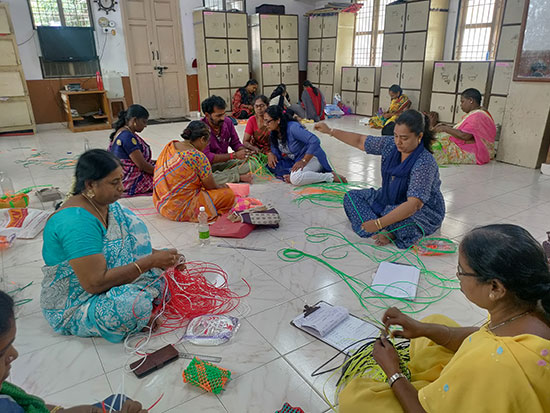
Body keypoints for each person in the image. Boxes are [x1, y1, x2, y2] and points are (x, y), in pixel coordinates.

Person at [339, 224, 550, 412]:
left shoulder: (494, 359)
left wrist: (393, 372)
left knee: (356, 399)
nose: (457, 276)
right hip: (492, 372)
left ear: (495, 287)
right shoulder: (531, 305)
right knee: (434, 321)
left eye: (462, 271)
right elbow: (484, 335)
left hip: (489, 376)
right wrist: (422, 329)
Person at [41, 149, 184, 343]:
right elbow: (94, 284)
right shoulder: (75, 222)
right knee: (131, 307)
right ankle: (134, 313)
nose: (122, 188)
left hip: (109, 280)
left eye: (121, 180)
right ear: (90, 185)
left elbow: (127, 248)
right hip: (77, 300)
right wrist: (150, 262)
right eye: (114, 183)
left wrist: (162, 258)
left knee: (166, 277)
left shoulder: (109, 207)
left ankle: (142, 302)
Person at [0, 291, 149, 412]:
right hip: (71, 301)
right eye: (3, 352)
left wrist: (62, 411)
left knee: (120, 402)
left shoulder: (5, 395)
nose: (14, 354)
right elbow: (94, 283)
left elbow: (37, 408)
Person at [315, 110, 444, 249]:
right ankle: (383, 227)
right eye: (396, 136)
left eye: (404, 138)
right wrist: (330, 131)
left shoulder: (424, 162)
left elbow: (414, 205)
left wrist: (378, 223)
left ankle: (386, 228)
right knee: (352, 197)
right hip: (388, 197)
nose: (398, 142)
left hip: (422, 211)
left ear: (419, 136)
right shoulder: (391, 145)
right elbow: (360, 141)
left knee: (404, 223)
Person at [153, 121, 235, 222]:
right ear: (202, 139)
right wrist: (222, 186)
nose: (207, 145)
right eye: (207, 141)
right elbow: (210, 186)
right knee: (228, 195)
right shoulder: (197, 156)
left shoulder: (171, 146)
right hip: (181, 208)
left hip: (162, 203)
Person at [265, 105, 346, 186]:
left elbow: (314, 141)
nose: (265, 124)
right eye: (264, 121)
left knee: (295, 178)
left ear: (278, 120)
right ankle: (303, 175)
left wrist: (304, 160)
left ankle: (329, 177)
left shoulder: (292, 128)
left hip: (311, 157)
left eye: (268, 121)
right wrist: (271, 154)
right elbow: (276, 153)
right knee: (272, 166)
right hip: (296, 159)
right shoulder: (273, 132)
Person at [429, 88, 497, 165]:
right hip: (475, 147)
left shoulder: (477, 116)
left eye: (462, 101)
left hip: (476, 151)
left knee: (435, 148)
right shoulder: (479, 112)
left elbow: (465, 135)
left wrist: (445, 128)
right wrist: (446, 127)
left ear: (471, 100)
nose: (461, 105)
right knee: (436, 140)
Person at [201, 96, 252, 185]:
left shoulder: (227, 122)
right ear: (207, 115)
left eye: (223, 114)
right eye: (218, 115)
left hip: (224, 163)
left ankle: (226, 177)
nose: (222, 118)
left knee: (251, 164)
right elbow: (208, 157)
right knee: (204, 178)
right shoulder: (200, 128)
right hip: (207, 167)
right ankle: (237, 177)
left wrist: (244, 152)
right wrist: (233, 155)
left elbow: (235, 143)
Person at [108, 104, 156, 196]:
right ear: (134, 120)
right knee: (169, 178)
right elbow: (142, 165)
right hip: (130, 179)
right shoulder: (127, 137)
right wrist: (160, 173)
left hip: (121, 173)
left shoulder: (123, 131)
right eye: (144, 122)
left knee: (163, 165)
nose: (145, 125)